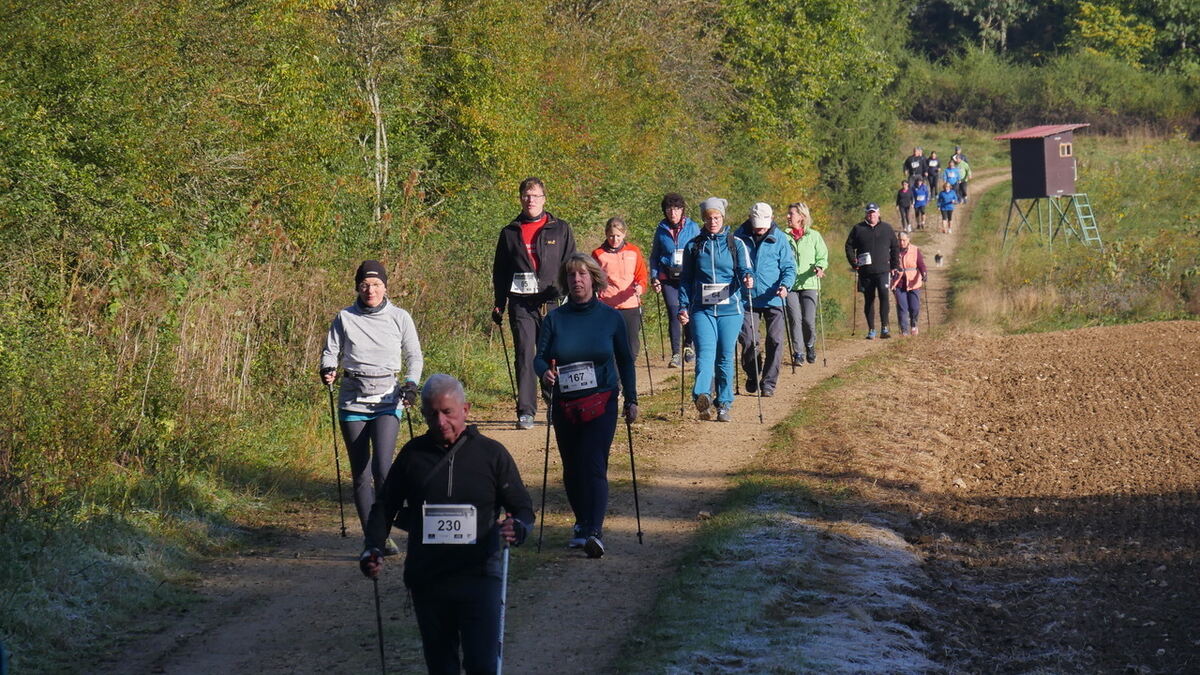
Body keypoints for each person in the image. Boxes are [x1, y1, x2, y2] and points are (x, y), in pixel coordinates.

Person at [359, 374, 534, 675]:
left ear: (465, 410)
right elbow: (385, 507)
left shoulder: (492, 455)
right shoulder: (413, 455)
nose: (440, 421)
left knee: (482, 664)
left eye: (447, 412)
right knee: (441, 667)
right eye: (431, 414)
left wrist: (516, 528)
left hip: (479, 576)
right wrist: (372, 548)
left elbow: (522, 509)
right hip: (429, 579)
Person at [535, 254, 638, 558]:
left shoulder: (610, 317)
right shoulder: (555, 318)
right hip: (566, 403)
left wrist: (631, 398)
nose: (576, 280)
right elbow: (539, 357)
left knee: (593, 463)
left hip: (602, 400)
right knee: (572, 467)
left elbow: (625, 360)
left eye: (581, 275)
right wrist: (545, 372)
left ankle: (594, 529)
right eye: (570, 276)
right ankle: (581, 523)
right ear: (565, 282)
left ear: (593, 278)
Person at [320, 260, 424, 554]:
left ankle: (382, 530)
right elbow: (331, 351)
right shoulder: (344, 317)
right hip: (352, 398)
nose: (371, 290)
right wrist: (327, 368)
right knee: (361, 473)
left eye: (376, 284)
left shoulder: (400, 317)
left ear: (385, 287)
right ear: (357, 287)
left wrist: (411, 384)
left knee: (383, 468)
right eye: (365, 284)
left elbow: (414, 355)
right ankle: (373, 538)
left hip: (387, 399)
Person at [491, 177, 577, 430]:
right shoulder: (509, 232)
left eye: (536, 196)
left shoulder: (560, 228)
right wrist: (499, 303)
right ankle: (526, 411)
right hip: (521, 304)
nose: (531, 200)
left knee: (551, 354)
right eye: (527, 196)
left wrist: (572, 296)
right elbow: (500, 271)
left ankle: (554, 405)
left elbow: (572, 264)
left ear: (544, 199)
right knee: (525, 353)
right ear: (521, 199)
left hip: (553, 302)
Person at [678, 197, 754, 422]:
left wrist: (748, 278)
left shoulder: (736, 243)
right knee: (705, 355)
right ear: (703, 219)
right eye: (709, 218)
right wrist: (683, 306)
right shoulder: (693, 246)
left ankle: (724, 404)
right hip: (703, 310)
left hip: (730, 309)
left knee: (724, 357)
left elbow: (745, 269)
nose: (713, 221)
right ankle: (702, 395)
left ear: (723, 218)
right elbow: (686, 279)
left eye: (717, 217)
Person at [735, 203, 795, 397]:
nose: (760, 228)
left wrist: (785, 286)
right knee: (748, 339)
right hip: (747, 298)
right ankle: (753, 374)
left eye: (763, 223)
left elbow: (789, 267)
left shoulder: (780, 239)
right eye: (757, 223)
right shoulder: (738, 237)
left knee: (775, 340)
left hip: (774, 298)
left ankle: (769, 382)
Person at [649, 193, 701, 368]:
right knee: (673, 311)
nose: (673, 212)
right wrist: (654, 277)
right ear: (664, 211)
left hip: (688, 277)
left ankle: (689, 346)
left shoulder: (693, 227)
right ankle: (676, 354)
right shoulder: (661, 229)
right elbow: (655, 255)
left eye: (677, 209)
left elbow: (701, 251)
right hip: (667, 277)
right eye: (669, 209)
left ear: (682, 210)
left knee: (689, 309)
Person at [591, 217, 649, 358]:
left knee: (631, 345)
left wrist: (640, 287)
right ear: (606, 234)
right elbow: (592, 278)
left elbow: (641, 275)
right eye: (611, 235)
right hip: (607, 306)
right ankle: (614, 378)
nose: (614, 239)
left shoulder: (634, 251)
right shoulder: (598, 254)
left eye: (618, 235)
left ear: (624, 234)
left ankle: (628, 373)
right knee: (610, 344)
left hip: (630, 304)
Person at [844, 203, 899, 340]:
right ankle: (871, 329)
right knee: (869, 299)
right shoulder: (858, 228)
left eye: (874, 213)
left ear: (878, 213)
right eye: (869, 213)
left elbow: (895, 247)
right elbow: (849, 246)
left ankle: (885, 328)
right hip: (866, 271)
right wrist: (853, 261)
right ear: (866, 214)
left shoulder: (887, 228)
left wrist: (894, 265)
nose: (871, 215)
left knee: (884, 296)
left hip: (883, 270)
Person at [783, 202, 828, 365]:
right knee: (795, 318)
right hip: (790, 285)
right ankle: (798, 353)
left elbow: (822, 256)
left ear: (802, 217)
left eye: (791, 214)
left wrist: (820, 267)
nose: (788, 217)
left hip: (809, 282)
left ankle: (810, 345)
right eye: (788, 214)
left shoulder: (814, 236)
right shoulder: (783, 236)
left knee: (808, 320)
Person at [890, 231, 927, 336]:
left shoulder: (915, 250)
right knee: (902, 307)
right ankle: (904, 330)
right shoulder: (893, 251)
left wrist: (924, 273)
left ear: (908, 240)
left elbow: (921, 265)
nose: (902, 242)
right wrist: (891, 270)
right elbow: (889, 264)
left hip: (913, 282)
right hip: (899, 283)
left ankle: (914, 324)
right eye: (900, 240)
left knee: (914, 307)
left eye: (904, 240)